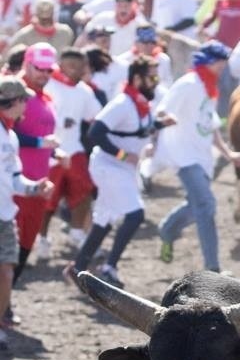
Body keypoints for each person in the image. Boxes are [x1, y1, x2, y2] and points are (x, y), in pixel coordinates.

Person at [63, 55, 172, 287]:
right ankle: (109, 267)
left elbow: (138, 131)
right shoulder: (122, 103)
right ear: (137, 78)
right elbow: (95, 132)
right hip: (109, 166)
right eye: (151, 76)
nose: (156, 81)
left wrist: (161, 124)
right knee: (135, 215)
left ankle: (78, 267)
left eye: (157, 75)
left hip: (122, 169)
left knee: (104, 219)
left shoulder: (141, 102)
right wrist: (123, 155)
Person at [155, 40, 240, 270]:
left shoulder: (210, 88)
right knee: (206, 205)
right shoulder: (188, 84)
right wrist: (163, 122)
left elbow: (210, 124)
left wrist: (228, 153)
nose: (223, 69)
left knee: (196, 205)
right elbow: (163, 109)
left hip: (204, 157)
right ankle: (213, 268)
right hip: (184, 156)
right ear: (208, 62)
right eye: (220, 64)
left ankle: (167, 228)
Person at [0, 76, 52, 348]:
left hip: (5, 215)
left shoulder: (10, 136)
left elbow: (15, 178)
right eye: (24, 100)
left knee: (7, 271)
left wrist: (36, 188)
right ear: (15, 101)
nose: (27, 106)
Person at [37, 46, 101, 257]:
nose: (73, 70)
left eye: (78, 66)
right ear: (61, 65)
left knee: (85, 191)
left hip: (75, 150)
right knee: (48, 199)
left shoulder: (85, 90)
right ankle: (42, 238)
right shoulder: (49, 84)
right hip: (51, 153)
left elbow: (96, 116)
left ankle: (76, 231)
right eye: (69, 65)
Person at [13, 41, 58, 277]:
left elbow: (40, 135)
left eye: (49, 69)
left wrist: (55, 152)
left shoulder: (45, 97)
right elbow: (7, 131)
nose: (44, 73)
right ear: (27, 64)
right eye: (39, 68)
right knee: (8, 255)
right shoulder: (14, 95)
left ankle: (5, 304)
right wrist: (41, 143)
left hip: (38, 186)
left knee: (24, 249)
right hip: (13, 186)